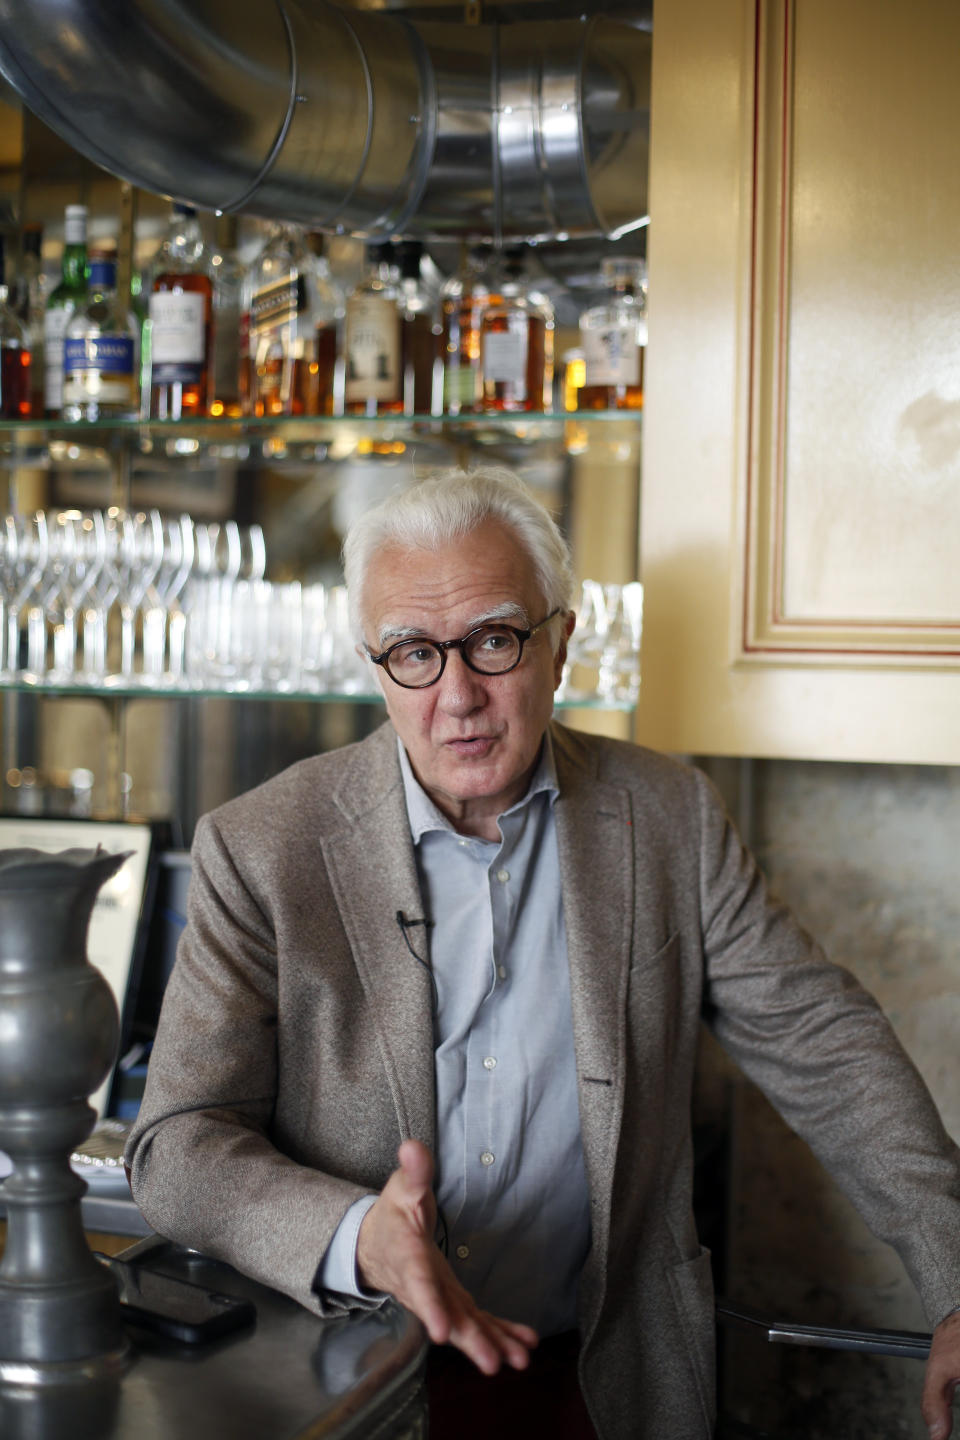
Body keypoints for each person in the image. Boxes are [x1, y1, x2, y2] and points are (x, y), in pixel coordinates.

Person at [126, 465, 960, 1440]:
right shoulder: (261, 847)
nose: (458, 696)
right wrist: (359, 1239)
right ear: (374, 664)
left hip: (602, 1382)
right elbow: (176, 1147)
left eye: (493, 639)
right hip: (356, 1377)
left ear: (560, 642)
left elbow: (826, 1046)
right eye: (412, 653)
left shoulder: (669, 817)